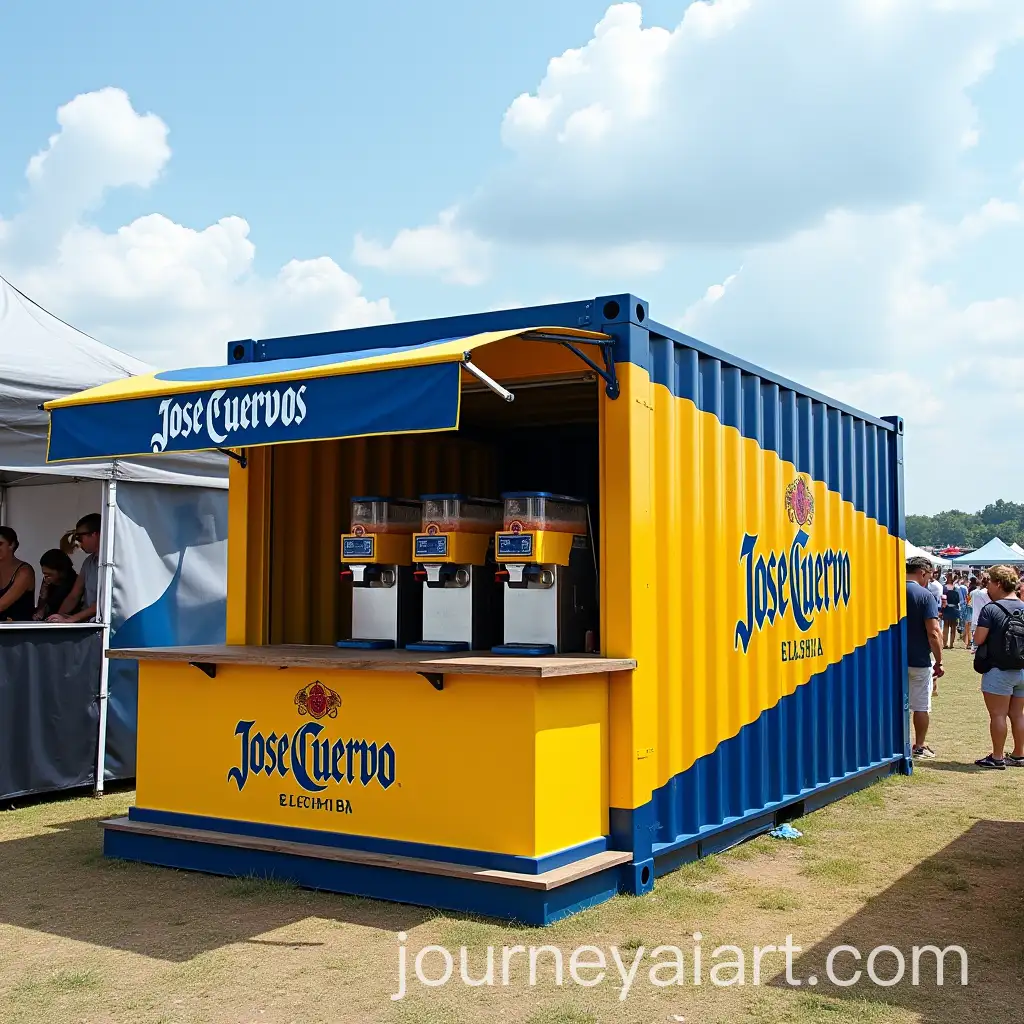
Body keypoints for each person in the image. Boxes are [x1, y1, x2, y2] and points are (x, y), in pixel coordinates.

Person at [971, 564, 1024, 770]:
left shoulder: (991, 609)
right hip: (1021, 669)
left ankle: (997, 757)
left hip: (998, 670)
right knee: (1018, 714)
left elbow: (979, 638)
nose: (987, 588)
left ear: (999, 583)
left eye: (989, 583)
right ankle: (1019, 754)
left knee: (998, 715)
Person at [906, 555, 944, 758]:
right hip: (918, 659)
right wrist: (939, 660)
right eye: (930, 575)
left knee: (894, 704)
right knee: (921, 706)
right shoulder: (924, 595)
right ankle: (919, 746)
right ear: (922, 572)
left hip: (889, 661)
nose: (930, 579)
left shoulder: (888, 589)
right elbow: (933, 632)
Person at [47, 513, 101, 623]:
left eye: (80, 538)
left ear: (95, 534)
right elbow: (74, 595)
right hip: (90, 624)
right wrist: (58, 618)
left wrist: (72, 619)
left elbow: (105, 601)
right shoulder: (88, 562)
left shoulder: (113, 562)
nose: (78, 543)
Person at [0, 526, 36, 622]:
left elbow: (2, 605)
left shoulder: (24, 571)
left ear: (12, 545)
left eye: (0, 544)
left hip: (20, 631)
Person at [33, 548, 79, 621]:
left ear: (61, 571)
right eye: (44, 574)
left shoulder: (76, 582)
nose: (46, 578)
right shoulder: (47, 582)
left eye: (49, 574)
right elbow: (41, 608)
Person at [970, 572, 992, 651]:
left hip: (975, 620)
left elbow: (971, 605)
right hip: (985, 621)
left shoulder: (974, 593)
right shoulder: (988, 593)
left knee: (976, 647)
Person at [941, 576, 961, 649]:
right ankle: (951, 644)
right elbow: (958, 601)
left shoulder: (944, 590)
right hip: (954, 609)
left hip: (946, 609)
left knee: (946, 627)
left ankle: (944, 643)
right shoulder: (956, 592)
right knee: (953, 627)